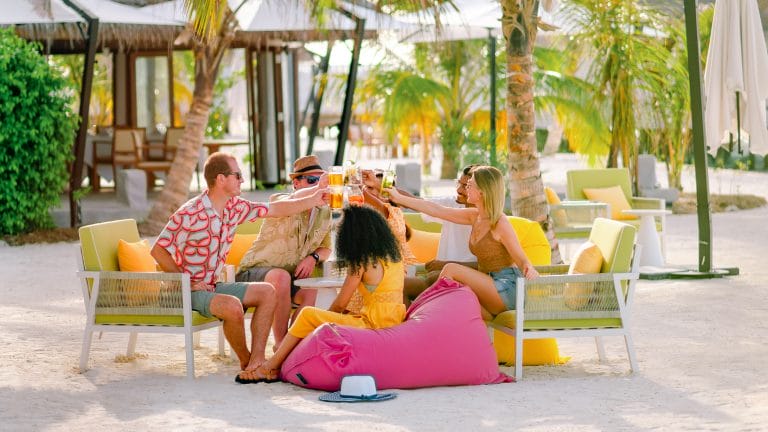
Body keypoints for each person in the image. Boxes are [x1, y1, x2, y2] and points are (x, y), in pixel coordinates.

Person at [150, 152, 328, 376]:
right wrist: (185, 282)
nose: (242, 180)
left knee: (268, 292)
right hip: (186, 291)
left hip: (212, 286)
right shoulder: (190, 212)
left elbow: (277, 209)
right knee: (233, 306)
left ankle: (258, 360)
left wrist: (316, 195)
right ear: (221, 179)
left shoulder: (234, 207)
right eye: (238, 175)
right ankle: (247, 362)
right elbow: (158, 250)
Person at [235, 205, 405, 383]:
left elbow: (339, 304)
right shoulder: (394, 257)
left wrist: (325, 322)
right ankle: (279, 359)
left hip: (373, 324)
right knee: (322, 316)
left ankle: (270, 366)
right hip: (393, 320)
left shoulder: (361, 261)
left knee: (309, 315)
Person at [386, 165, 539, 321]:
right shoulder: (475, 216)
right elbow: (436, 210)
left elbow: (521, 259)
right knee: (457, 299)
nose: (465, 189)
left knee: (451, 269)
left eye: (469, 185)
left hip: (507, 288)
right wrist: (398, 198)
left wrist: (529, 269)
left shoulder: (500, 223)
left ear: (481, 192)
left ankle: (416, 311)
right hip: (489, 289)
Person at [235, 155, 333, 351]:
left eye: (321, 180)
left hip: (290, 277)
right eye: (312, 180)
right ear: (295, 183)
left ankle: (288, 343)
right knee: (280, 277)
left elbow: (326, 248)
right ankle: (280, 345)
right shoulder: (280, 200)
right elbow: (291, 200)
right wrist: (317, 190)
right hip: (254, 272)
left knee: (311, 290)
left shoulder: (324, 212)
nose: (318, 185)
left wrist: (313, 258)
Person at [412, 164, 479, 291]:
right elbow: (418, 202)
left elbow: (488, 267)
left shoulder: (488, 220)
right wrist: (388, 190)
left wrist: (445, 265)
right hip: (443, 276)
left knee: (409, 285)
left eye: (466, 186)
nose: (459, 189)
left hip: (463, 282)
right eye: (458, 183)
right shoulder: (453, 205)